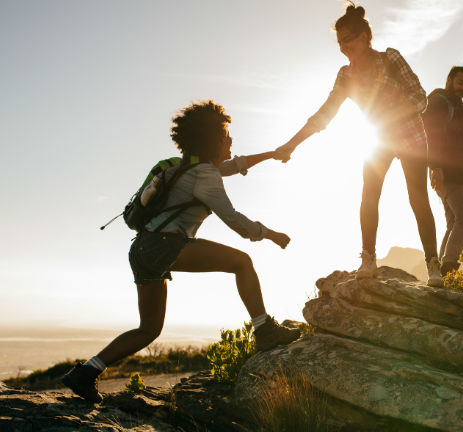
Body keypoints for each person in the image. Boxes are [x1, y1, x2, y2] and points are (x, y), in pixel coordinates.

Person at [61, 100, 300, 403]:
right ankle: (264, 330)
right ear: (212, 140)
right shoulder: (205, 175)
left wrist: (271, 154)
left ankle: (85, 372)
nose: (231, 141)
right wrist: (270, 234)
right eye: (226, 136)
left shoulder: (183, 166)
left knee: (148, 330)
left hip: (143, 249)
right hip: (165, 246)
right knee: (242, 261)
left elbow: (232, 166)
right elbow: (234, 220)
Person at [274, 4, 443, 287]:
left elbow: (420, 96)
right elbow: (323, 114)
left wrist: (395, 114)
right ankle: (368, 258)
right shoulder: (345, 75)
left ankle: (433, 264)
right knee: (369, 194)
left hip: (410, 134)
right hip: (377, 138)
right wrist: (292, 144)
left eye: (349, 38)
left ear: (365, 36)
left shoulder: (390, 58)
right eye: (340, 41)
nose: (343, 46)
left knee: (417, 197)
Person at [423, 66, 463, 276]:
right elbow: (432, 134)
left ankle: (440, 271)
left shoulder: (458, 105)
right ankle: (448, 266)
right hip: (448, 170)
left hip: (455, 171)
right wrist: (436, 167)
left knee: (453, 222)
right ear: (449, 79)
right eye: (460, 82)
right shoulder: (440, 101)